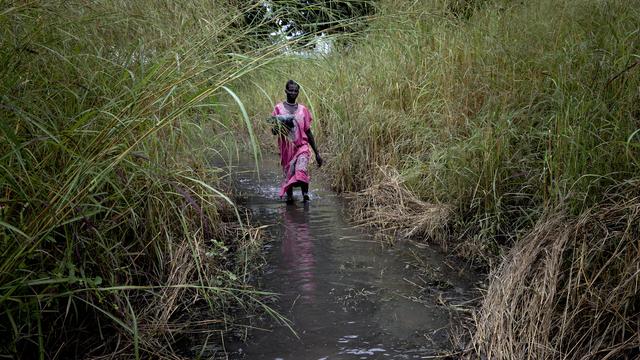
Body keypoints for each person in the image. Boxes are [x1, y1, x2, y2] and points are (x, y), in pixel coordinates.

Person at [271, 80, 323, 203]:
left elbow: (308, 132)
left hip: (302, 147)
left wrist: (317, 153)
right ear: (286, 91)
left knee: (302, 169)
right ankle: (290, 197)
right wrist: (283, 123)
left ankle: (305, 195)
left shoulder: (303, 110)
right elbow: (274, 131)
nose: (293, 93)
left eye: (296, 90)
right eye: (291, 90)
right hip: (287, 149)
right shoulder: (279, 109)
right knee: (289, 174)